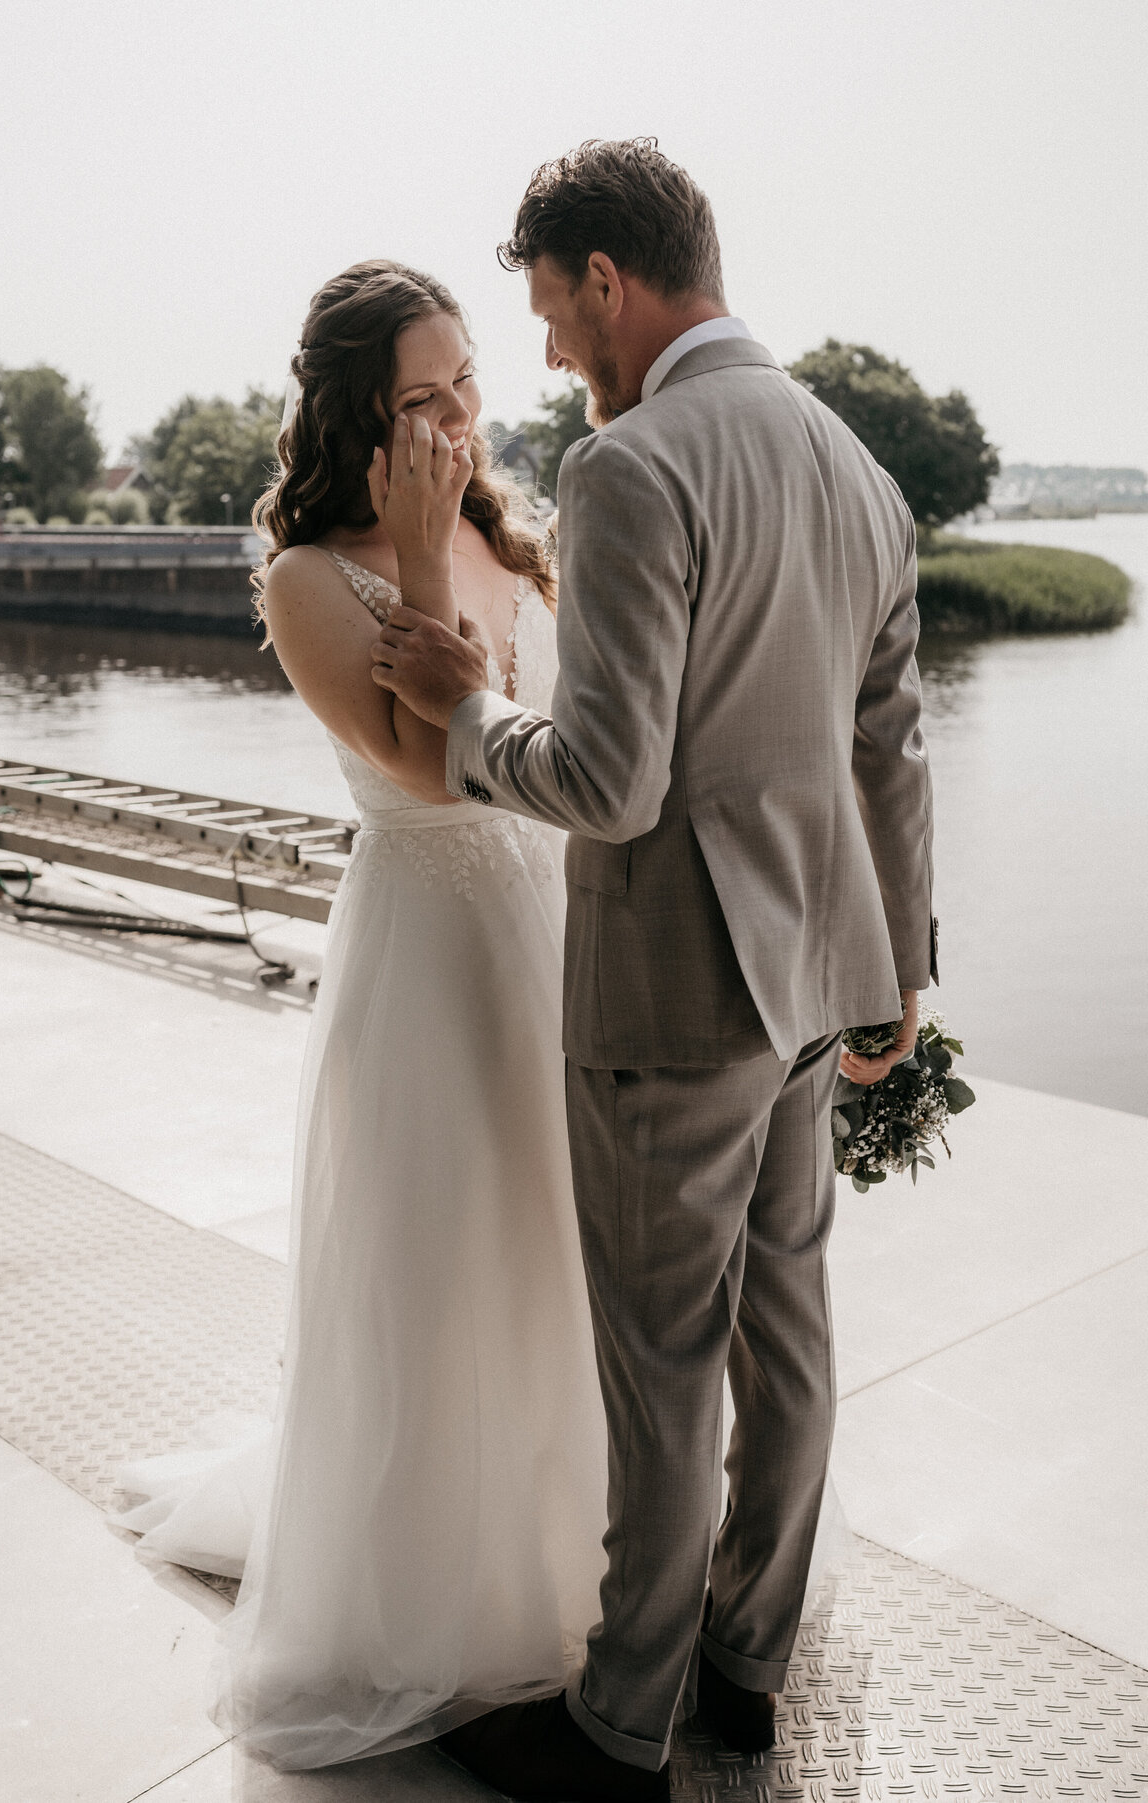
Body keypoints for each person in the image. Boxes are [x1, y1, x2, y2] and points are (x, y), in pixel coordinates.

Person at [372, 139, 936, 1803]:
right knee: (791, 1340)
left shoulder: (630, 467)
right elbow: (890, 753)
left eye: (550, 313)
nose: (549, 352)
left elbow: (610, 784)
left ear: (608, 281)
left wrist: (470, 711)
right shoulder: (855, 464)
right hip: (816, 983)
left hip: (672, 1000)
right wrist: (902, 967)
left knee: (663, 1372)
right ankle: (747, 1676)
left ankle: (619, 1728)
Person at [113, 259, 612, 1768]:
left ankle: (594, 1549)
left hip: (555, 920)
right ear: (355, 415)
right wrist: (409, 537)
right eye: (422, 395)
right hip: (426, 942)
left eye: (466, 376)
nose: (462, 414)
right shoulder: (307, 575)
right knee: (442, 1248)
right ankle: (438, 1591)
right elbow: (418, 766)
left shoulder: (509, 533)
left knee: (568, 1243)